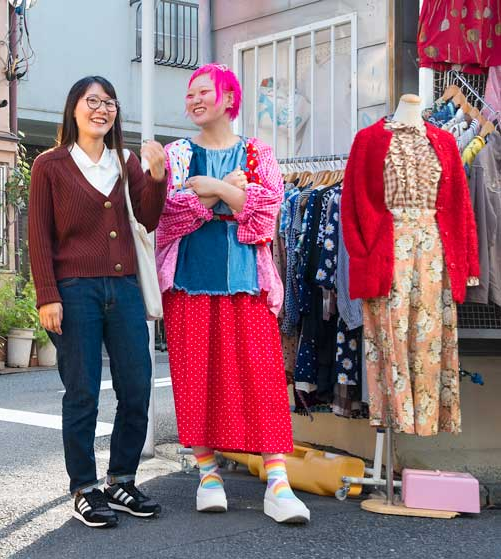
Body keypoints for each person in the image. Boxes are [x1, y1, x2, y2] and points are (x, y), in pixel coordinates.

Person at [156, 63, 311, 524]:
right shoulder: (177, 153)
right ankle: (208, 474)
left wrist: (214, 189)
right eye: (189, 95)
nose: (194, 100)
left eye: (203, 91)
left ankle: (278, 482)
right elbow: (169, 214)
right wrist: (226, 197)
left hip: (248, 280)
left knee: (261, 377)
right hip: (188, 280)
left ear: (228, 98)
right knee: (195, 377)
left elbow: (267, 212)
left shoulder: (258, 151)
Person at [28, 76, 168, 529]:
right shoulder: (49, 166)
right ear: (74, 109)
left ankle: (121, 479)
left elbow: (147, 217)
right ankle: (85, 487)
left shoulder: (124, 161)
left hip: (124, 287)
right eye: (93, 101)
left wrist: (157, 176)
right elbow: (38, 238)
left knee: (137, 386)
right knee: (83, 391)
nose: (101, 110)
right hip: (74, 292)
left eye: (109, 103)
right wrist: (48, 295)